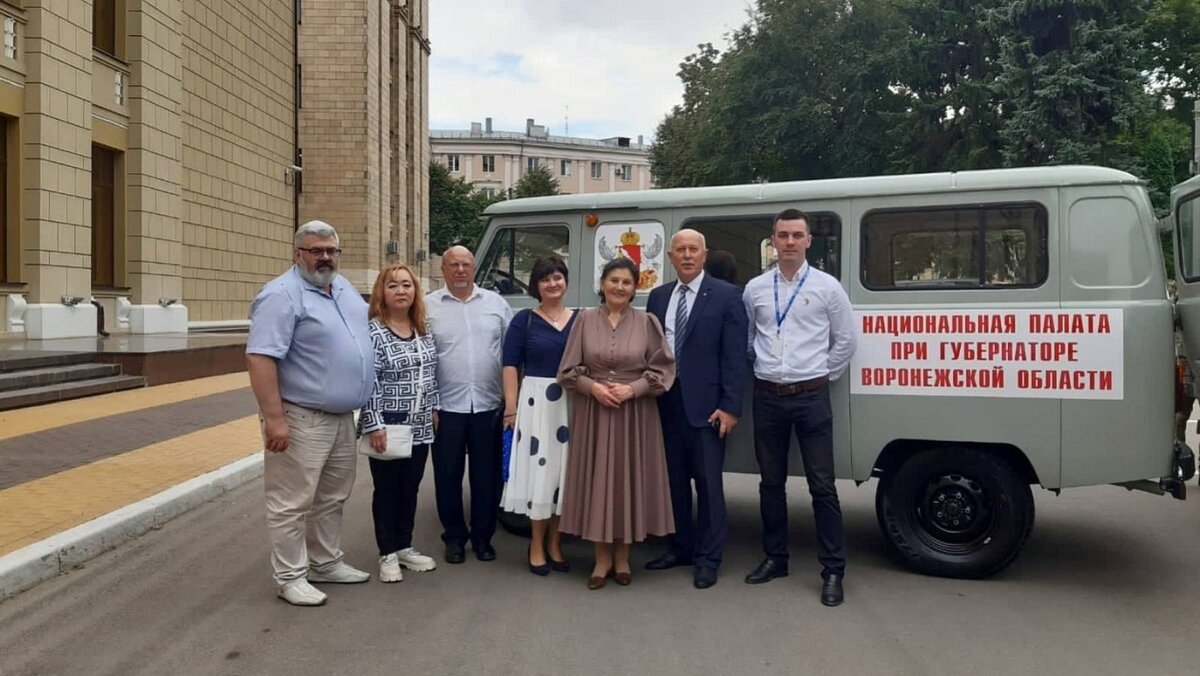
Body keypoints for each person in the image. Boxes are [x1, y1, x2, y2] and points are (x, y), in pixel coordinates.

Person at [247, 220, 375, 606]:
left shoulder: (341, 287)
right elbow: (260, 357)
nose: (325, 257)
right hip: (300, 416)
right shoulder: (282, 295)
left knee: (332, 496)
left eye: (331, 250)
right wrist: (274, 418)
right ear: (297, 253)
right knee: (291, 501)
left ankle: (325, 562)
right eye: (316, 250)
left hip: (339, 418)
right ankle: (290, 576)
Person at [742, 208, 856, 607]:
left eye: (796, 235)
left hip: (810, 398)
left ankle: (832, 570)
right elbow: (749, 337)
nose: (789, 242)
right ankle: (776, 558)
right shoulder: (755, 288)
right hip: (767, 396)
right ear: (772, 241)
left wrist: (821, 376)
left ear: (808, 241)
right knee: (770, 483)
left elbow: (845, 341)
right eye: (782, 235)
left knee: (822, 486)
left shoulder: (827, 287)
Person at [558, 257, 676, 589]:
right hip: (594, 413)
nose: (619, 287)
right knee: (598, 483)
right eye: (614, 281)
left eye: (626, 282)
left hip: (634, 415)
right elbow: (567, 370)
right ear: (602, 284)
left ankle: (623, 558)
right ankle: (601, 560)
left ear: (635, 288)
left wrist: (633, 389)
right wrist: (592, 388)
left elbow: (664, 369)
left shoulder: (647, 322)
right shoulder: (583, 320)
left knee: (627, 482)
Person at [646, 230, 749, 589]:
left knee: (708, 486)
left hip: (708, 410)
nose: (687, 256)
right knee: (673, 483)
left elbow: (735, 357)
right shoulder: (658, 298)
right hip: (666, 405)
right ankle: (681, 548)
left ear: (704, 255)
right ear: (670, 257)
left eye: (694, 250)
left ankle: (708, 558)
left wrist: (730, 407)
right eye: (680, 250)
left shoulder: (727, 296)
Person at [426, 246, 513, 563]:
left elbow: (510, 355)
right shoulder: (427, 307)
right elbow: (424, 360)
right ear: (443, 269)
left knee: (486, 477)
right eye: (453, 265)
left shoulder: (496, 305)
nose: (460, 270)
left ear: (474, 268)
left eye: (466, 265)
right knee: (447, 476)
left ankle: (483, 539)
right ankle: (454, 538)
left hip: (489, 406)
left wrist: (511, 402)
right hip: (445, 408)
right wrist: (430, 404)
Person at [359, 264, 440, 583]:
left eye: (407, 285)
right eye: (393, 285)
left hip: (420, 425)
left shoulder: (422, 328)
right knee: (387, 490)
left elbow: (432, 372)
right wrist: (373, 423)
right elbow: (370, 381)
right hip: (388, 424)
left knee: (411, 487)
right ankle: (387, 552)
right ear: (382, 292)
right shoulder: (374, 331)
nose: (401, 291)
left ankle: (405, 545)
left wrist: (434, 408)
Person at [499, 256, 577, 576]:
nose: (552, 283)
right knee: (539, 477)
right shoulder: (524, 320)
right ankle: (535, 545)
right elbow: (509, 366)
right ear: (536, 285)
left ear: (566, 281)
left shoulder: (580, 320)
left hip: (570, 405)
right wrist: (511, 408)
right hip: (535, 405)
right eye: (545, 279)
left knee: (563, 476)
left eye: (557, 277)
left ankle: (556, 544)